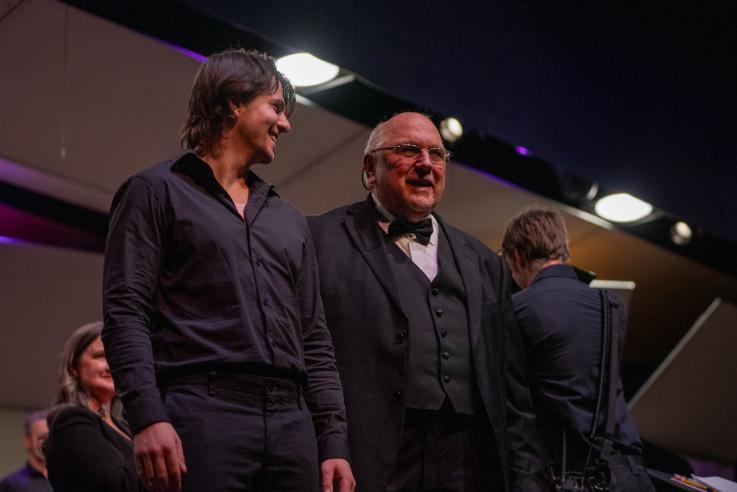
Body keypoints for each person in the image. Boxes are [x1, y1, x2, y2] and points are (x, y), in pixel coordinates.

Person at [103, 48, 354, 492]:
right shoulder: (154, 191)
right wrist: (146, 416)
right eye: (276, 107)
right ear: (234, 102)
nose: (286, 123)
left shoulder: (290, 220)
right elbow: (126, 312)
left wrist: (333, 442)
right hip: (202, 413)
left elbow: (315, 338)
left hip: (293, 424)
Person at [308, 112, 544, 491]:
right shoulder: (320, 239)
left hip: (468, 462)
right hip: (366, 458)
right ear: (371, 168)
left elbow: (512, 387)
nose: (425, 164)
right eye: (407, 150)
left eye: (436, 154)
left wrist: (527, 478)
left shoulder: (484, 262)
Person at [500, 207, 655, 491]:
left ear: (518, 257)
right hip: (630, 475)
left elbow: (517, 408)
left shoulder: (518, 310)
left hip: (569, 477)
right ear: (565, 248)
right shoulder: (611, 306)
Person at [44, 321, 141, 492]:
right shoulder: (70, 422)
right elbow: (118, 486)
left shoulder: (127, 427)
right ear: (74, 367)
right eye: (101, 356)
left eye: (117, 357)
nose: (111, 366)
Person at [0, 411, 52, 492]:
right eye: (41, 437)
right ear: (28, 441)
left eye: (50, 436)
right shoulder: (11, 484)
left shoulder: (66, 479)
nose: (47, 442)